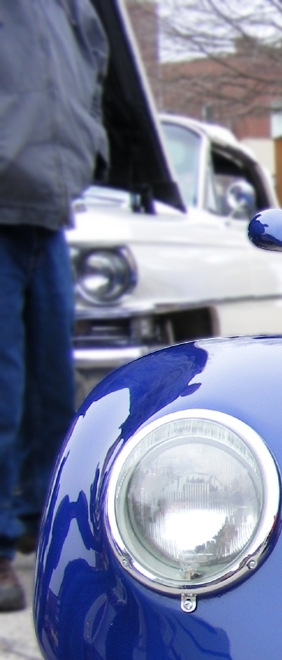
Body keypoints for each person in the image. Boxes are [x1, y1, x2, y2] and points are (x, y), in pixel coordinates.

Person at [0, 1, 108, 611]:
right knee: (1, 381)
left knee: (48, 380)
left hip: (49, 208)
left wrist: (87, 147)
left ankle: (41, 522)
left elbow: (92, 74)